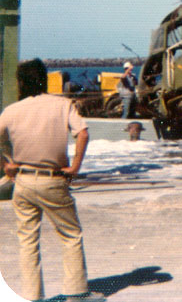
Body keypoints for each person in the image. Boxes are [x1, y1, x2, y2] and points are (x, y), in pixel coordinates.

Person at [0, 59, 105, 302]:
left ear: (21, 82)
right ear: (44, 79)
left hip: (23, 181)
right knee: (70, 234)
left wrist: (7, 163)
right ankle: (76, 294)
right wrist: (75, 166)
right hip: (54, 179)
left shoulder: (12, 110)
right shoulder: (62, 104)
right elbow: (83, 133)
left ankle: (33, 297)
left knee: (27, 240)